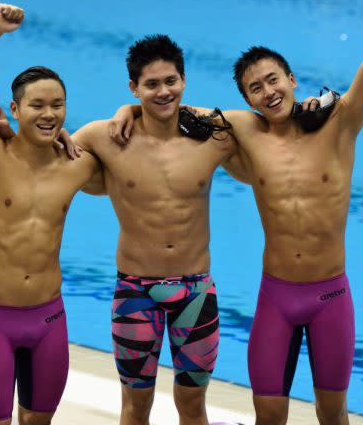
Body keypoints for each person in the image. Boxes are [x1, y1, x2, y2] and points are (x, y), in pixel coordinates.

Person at [111, 0, 363, 424]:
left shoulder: (340, 126)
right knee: (268, 414)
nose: (267, 92)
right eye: (255, 88)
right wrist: (126, 105)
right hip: (277, 295)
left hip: (331, 294)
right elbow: (168, 105)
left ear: (292, 80)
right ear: (248, 100)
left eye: (273, 80)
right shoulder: (244, 130)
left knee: (333, 413)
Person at [67, 34, 244, 425]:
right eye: (150, 85)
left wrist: (132, 108)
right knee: (134, 407)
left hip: (196, 292)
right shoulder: (104, 136)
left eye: (171, 82)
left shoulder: (212, 134)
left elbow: (263, 128)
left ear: (184, 81)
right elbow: (49, 152)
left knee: (194, 406)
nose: (163, 91)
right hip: (135, 291)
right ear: (134, 87)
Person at [0, 3, 104, 425]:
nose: (49, 114)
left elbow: (136, 151)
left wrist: (125, 112)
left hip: (49, 318)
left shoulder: (77, 164)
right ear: (14, 110)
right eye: (37, 105)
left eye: (58, 105)